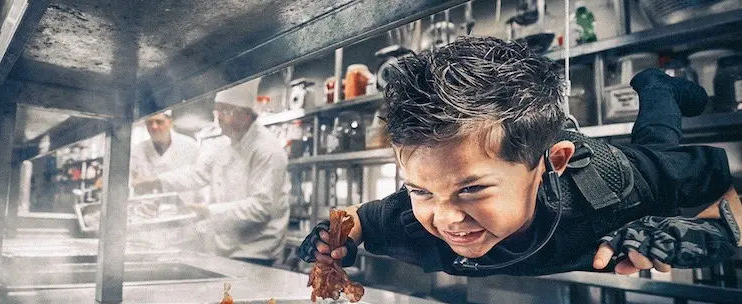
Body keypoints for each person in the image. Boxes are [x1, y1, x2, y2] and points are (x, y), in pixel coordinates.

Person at [298, 36, 742, 277]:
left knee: (657, 148)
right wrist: (336, 239)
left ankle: (655, 85)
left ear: (555, 162)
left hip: (628, 174)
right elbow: (358, 217)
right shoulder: (414, 215)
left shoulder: (618, 189)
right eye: (421, 190)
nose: (446, 218)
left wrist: (719, 230)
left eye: (471, 188)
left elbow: (732, 199)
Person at [138, 78, 291, 267]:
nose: (218, 117)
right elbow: (197, 173)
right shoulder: (225, 144)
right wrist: (156, 181)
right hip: (226, 248)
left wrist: (207, 211)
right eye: (217, 110)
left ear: (244, 114)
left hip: (257, 252)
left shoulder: (267, 149)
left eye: (224, 111)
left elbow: (260, 208)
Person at [130, 110, 201, 201]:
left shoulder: (189, 145)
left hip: (185, 210)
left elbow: (200, 179)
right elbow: (132, 184)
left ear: (170, 123)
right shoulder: (138, 150)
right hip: (150, 211)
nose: (154, 126)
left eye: (159, 122)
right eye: (149, 123)